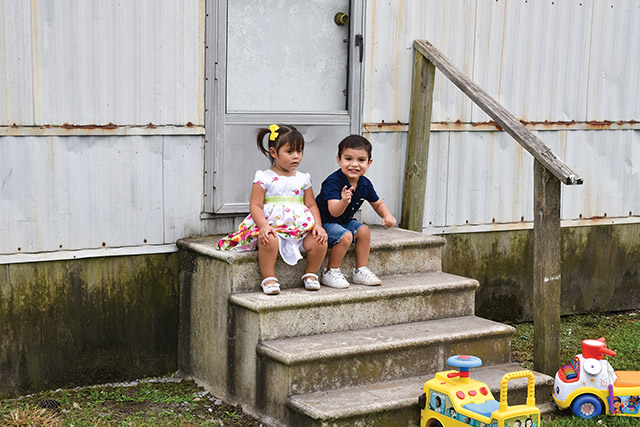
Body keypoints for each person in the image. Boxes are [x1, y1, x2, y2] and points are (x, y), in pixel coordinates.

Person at [217, 124, 328, 295]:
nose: (296, 156)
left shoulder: (303, 178)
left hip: (300, 230)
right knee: (269, 239)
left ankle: (311, 274)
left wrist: (318, 226)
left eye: (299, 151)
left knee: (320, 241)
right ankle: (269, 277)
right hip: (272, 227)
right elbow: (255, 205)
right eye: (290, 152)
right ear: (274, 153)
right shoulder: (264, 177)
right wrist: (263, 226)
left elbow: (311, 204)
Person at [315, 135, 396, 288]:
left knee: (364, 230)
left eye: (361, 160)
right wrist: (344, 201)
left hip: (344, 222)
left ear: (369, 162)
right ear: (339, 160)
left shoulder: (365, 183)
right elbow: (333, 212)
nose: (354, 165)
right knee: (345, 236)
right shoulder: (333, 182)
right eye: (348, 159)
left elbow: (377, 203)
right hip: (325, 223)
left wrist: (387, 215)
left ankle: (360, 270)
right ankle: (330, 271)